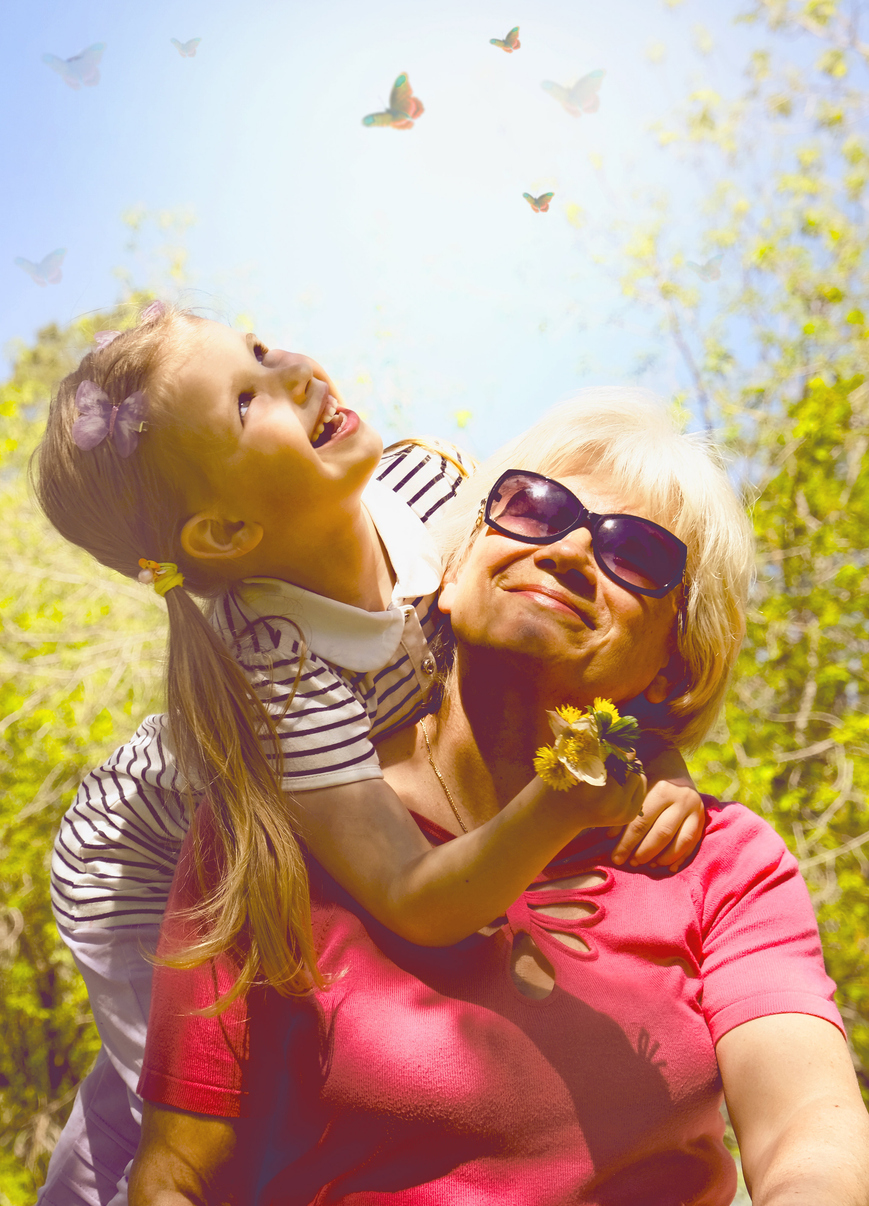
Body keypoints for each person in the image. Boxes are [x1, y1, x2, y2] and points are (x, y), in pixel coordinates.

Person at [130, 391, 869, 1205]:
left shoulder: (722, 861)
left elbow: (809, 1127)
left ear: (673, 665)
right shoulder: (270, 833)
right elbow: (180, 1173)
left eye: (637, 553)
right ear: (448, 569)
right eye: (531, 508)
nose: (570, 548)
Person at [34, 306, 703, 1205]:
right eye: (245, 400)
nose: (294, 372)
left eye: (262, 351)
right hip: (142, 861)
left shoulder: (427, 490)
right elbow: (418, 899)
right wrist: (559, 801)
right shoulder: (274, 665)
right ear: (225, 535)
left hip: (294, 808)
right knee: (182, 1105)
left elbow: (545, 639)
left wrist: (654, 755)